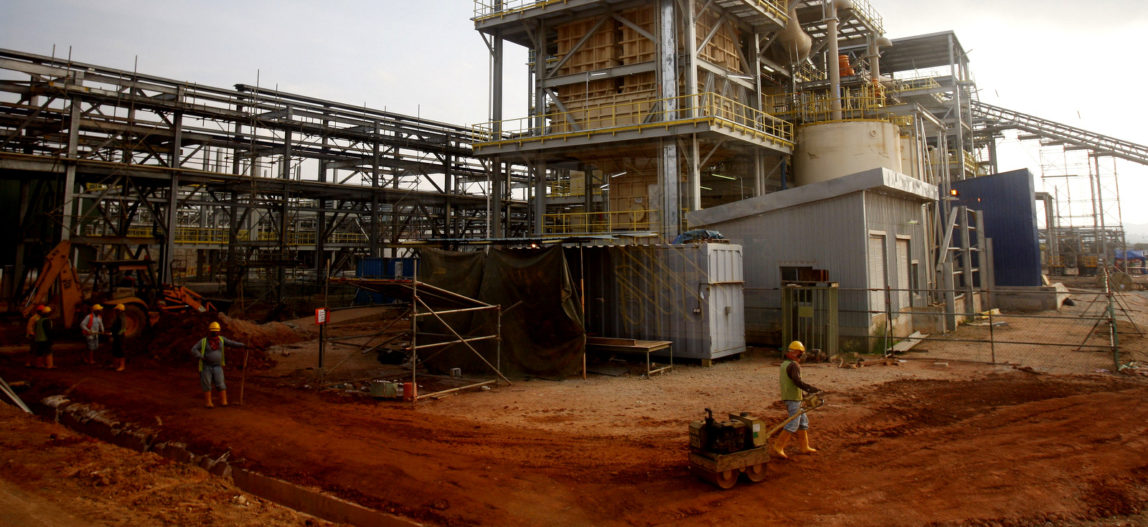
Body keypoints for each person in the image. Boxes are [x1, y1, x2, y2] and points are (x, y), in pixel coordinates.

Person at [771, 340, 820, 459]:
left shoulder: (785, 364)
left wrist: (803, 394)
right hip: (793, 399)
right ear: (794, 353)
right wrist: (811, 389)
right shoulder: (793, 365)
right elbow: (797, 381)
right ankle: (778, 446)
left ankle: (804, 447)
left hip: (791, 397)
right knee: (793, 422)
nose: (801, 356)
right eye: (800, 353)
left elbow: (791, 383)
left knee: (803, 422)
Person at [191, 321, 246, 408]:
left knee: (220, 383)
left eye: (216, 331)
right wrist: (201, 356)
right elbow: (194, 349)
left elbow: (232, 343)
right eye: (213, 331)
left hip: (218, 366)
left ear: (219, 332)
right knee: (207, 384)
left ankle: (224, 401)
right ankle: (208, 403)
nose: (215, 333)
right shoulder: (204, 341)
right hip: (206, 366)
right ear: (209, 331)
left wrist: (243, 345)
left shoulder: (221, 340)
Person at [30, 305, 55, 369]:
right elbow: (48, 331)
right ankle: (49, 365)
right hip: (45, 339)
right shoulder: (47, 321)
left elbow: (35, 329)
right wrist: (51, 339)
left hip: (38, 339)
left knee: (39, 352)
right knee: (48, 352)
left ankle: (39, 364)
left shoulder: (38, 321)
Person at [109, 303, 127, 372]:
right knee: (115, 350)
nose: (115, 311)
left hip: (120, 337)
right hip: (116, 336)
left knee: (120, 351)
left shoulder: (122, 317)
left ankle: (122, 366)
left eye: (116, 310)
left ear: (119, 310)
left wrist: (117, 334)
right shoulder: (118, 317)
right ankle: (115, 364)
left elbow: (123, 329)